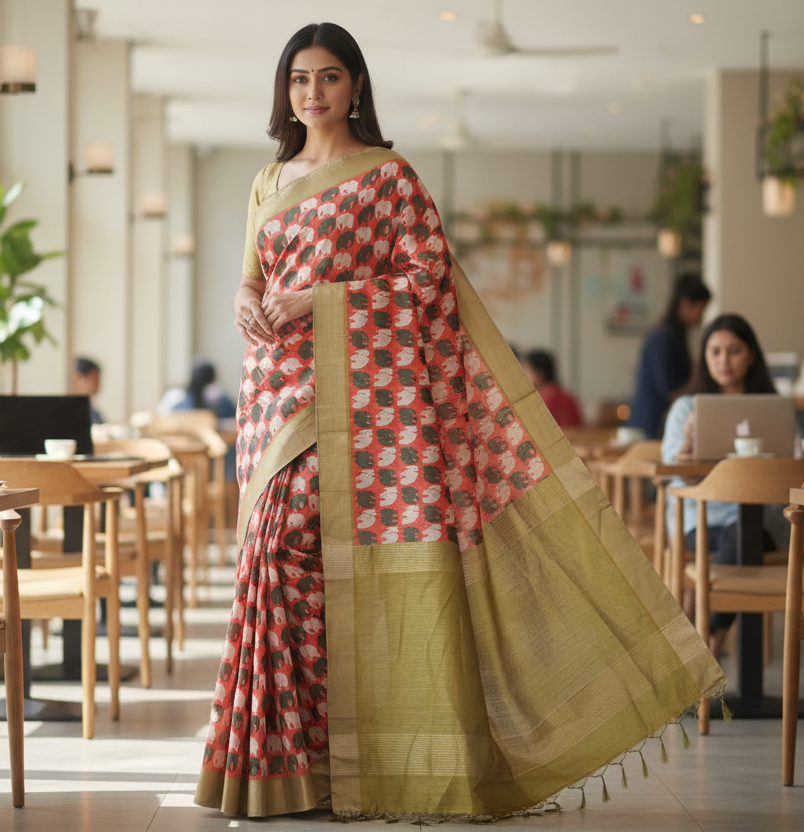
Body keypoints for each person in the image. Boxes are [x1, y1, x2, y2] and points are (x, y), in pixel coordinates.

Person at [194, 22, 723, 821]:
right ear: (285, 90)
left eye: (328, 77)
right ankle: (297, 766)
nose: (313, 93)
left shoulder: (390, 178)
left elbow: (426, 282)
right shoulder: (268, 181)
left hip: (365, 404)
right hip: (276, 391)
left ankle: (360, 761)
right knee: (275, 562)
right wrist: (247, 302)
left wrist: (320, 300)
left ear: (356, 87)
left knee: (307, 549)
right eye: (299, 79)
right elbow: (249, 277)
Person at [661, 313, 779, 657]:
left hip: (761, 522)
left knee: (743, 530)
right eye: (715, 352)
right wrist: (686, 451)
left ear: (752, 355)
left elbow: (790, 465)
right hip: (700, 521)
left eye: (734, 351)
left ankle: (705, 643)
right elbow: (673, 472)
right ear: (704, 357)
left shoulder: (771, 408)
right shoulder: (686, 408)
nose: (723, 360)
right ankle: (713, 641)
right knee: (739, 535)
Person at [628, 274, 712, 439]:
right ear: (685, 303)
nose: (701, 316)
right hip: (652, 430)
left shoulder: (672, 335)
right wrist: (697, 370)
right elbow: (671, 393)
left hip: (656, 427)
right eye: (701, 308)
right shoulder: (663, 338)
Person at [521, 349, 583, 427]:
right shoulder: (559, 392)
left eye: (525, 370)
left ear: (539, 373)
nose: (521, 376)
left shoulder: (549, 395)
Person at [73, 356, 104, 424]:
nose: (98, 385)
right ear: (79, 378)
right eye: (95, 379)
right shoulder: (72, 411)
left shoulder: (92, 410)